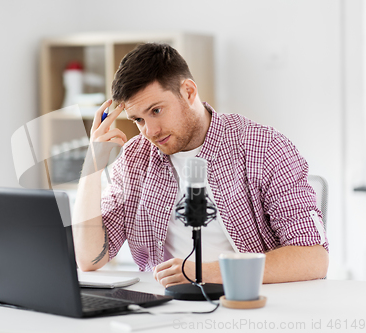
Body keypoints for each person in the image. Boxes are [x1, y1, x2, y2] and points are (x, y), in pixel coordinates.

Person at [71, 43, 329, 288]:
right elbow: (89, 258)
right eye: (138, 119)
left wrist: (207, 273)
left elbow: (313, 259)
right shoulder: (135, 158)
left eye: (156, 111)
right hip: (165, 306)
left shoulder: (263, 146)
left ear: (189, 92)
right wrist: (92, 165)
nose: (149, 130)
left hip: (245, 298)